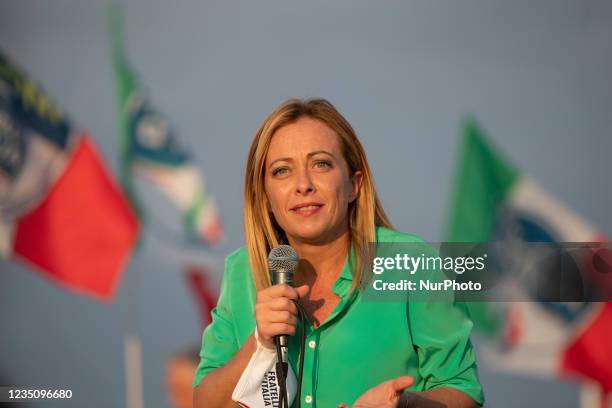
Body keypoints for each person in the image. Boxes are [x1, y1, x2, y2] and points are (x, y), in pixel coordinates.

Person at [192, 98, 484, 408]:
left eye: (321, 164)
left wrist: (404, 405)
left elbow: (463, 391)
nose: (303, 185)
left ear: (353, 185)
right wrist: (259, 343)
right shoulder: (242, 271)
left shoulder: (413, 263)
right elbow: (204, 403)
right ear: (264, 196)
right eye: (282, 171)